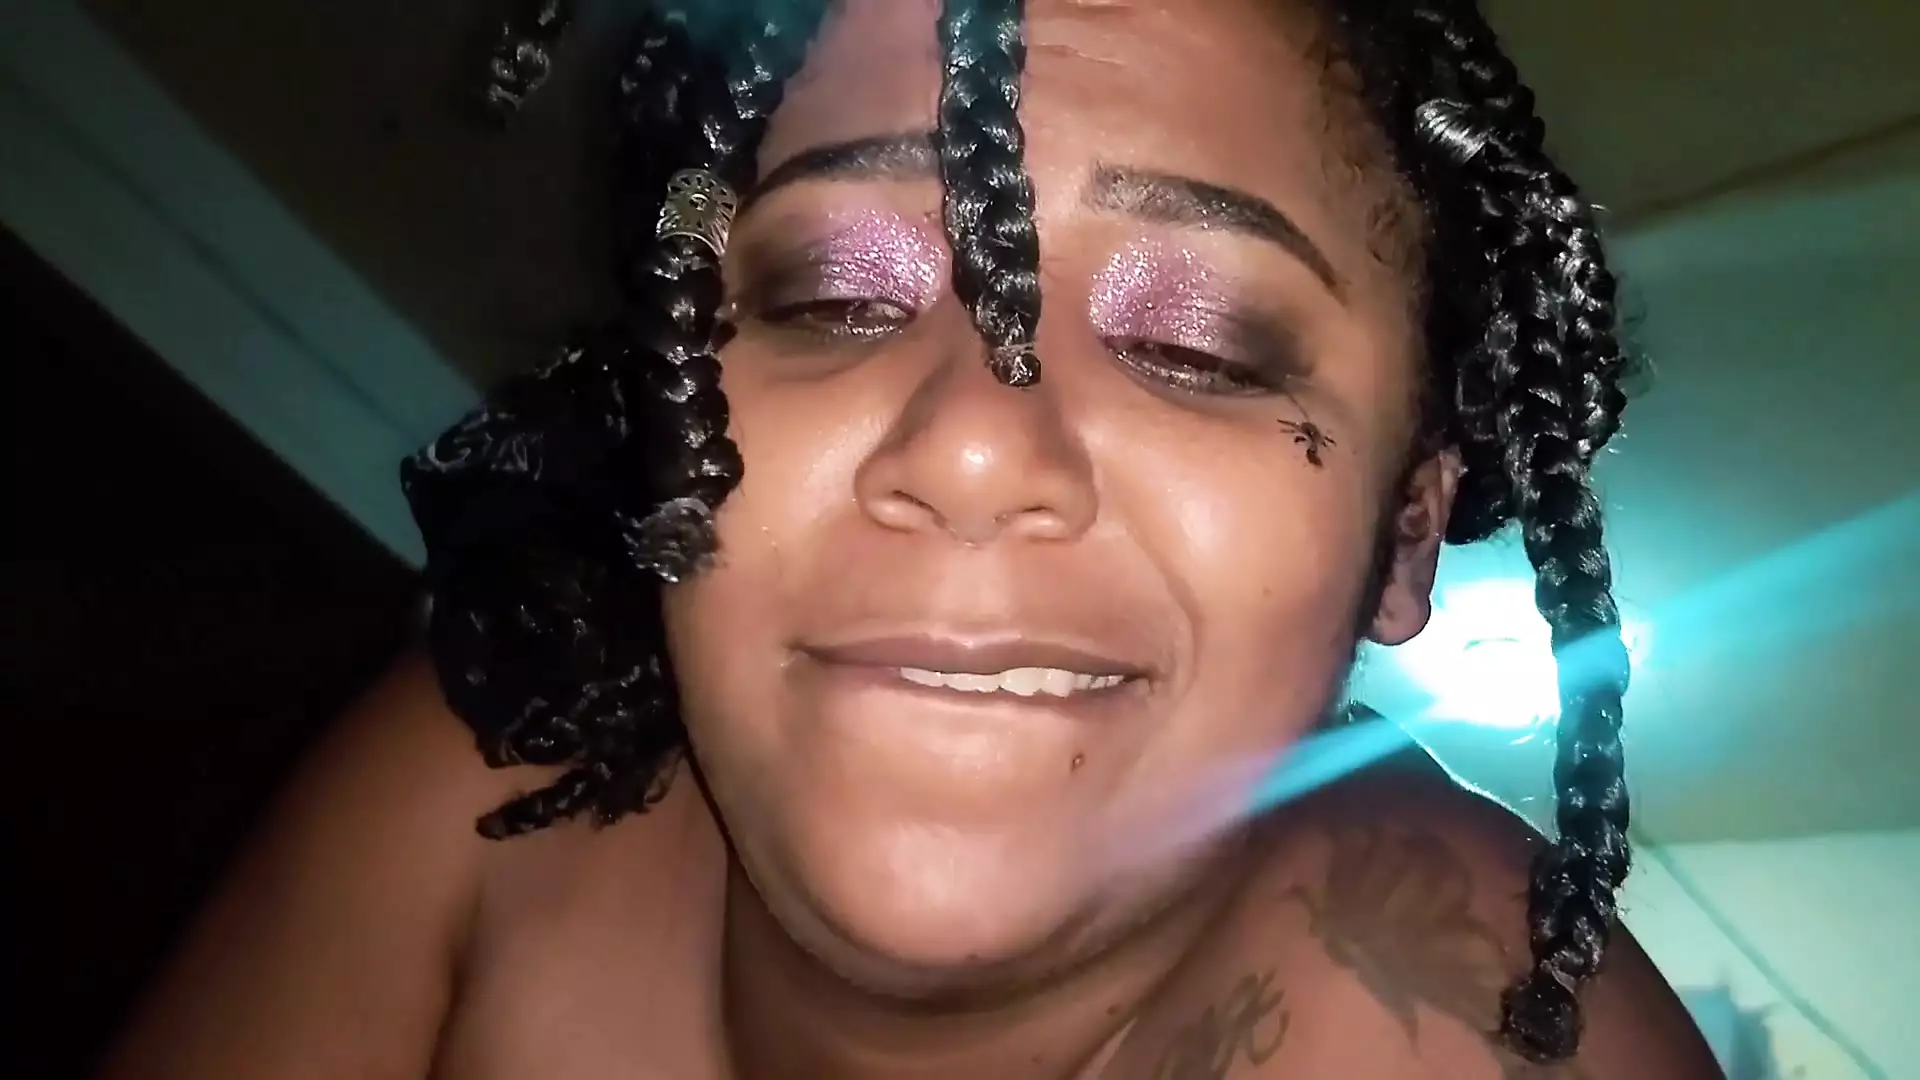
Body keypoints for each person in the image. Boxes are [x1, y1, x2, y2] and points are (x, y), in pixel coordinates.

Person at [101, 0, 1724, 1077]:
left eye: (1195, 344)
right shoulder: (482, 782)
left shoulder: (1521, 1045)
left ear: (1404, 538)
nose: (971, 441)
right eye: (831, 296)